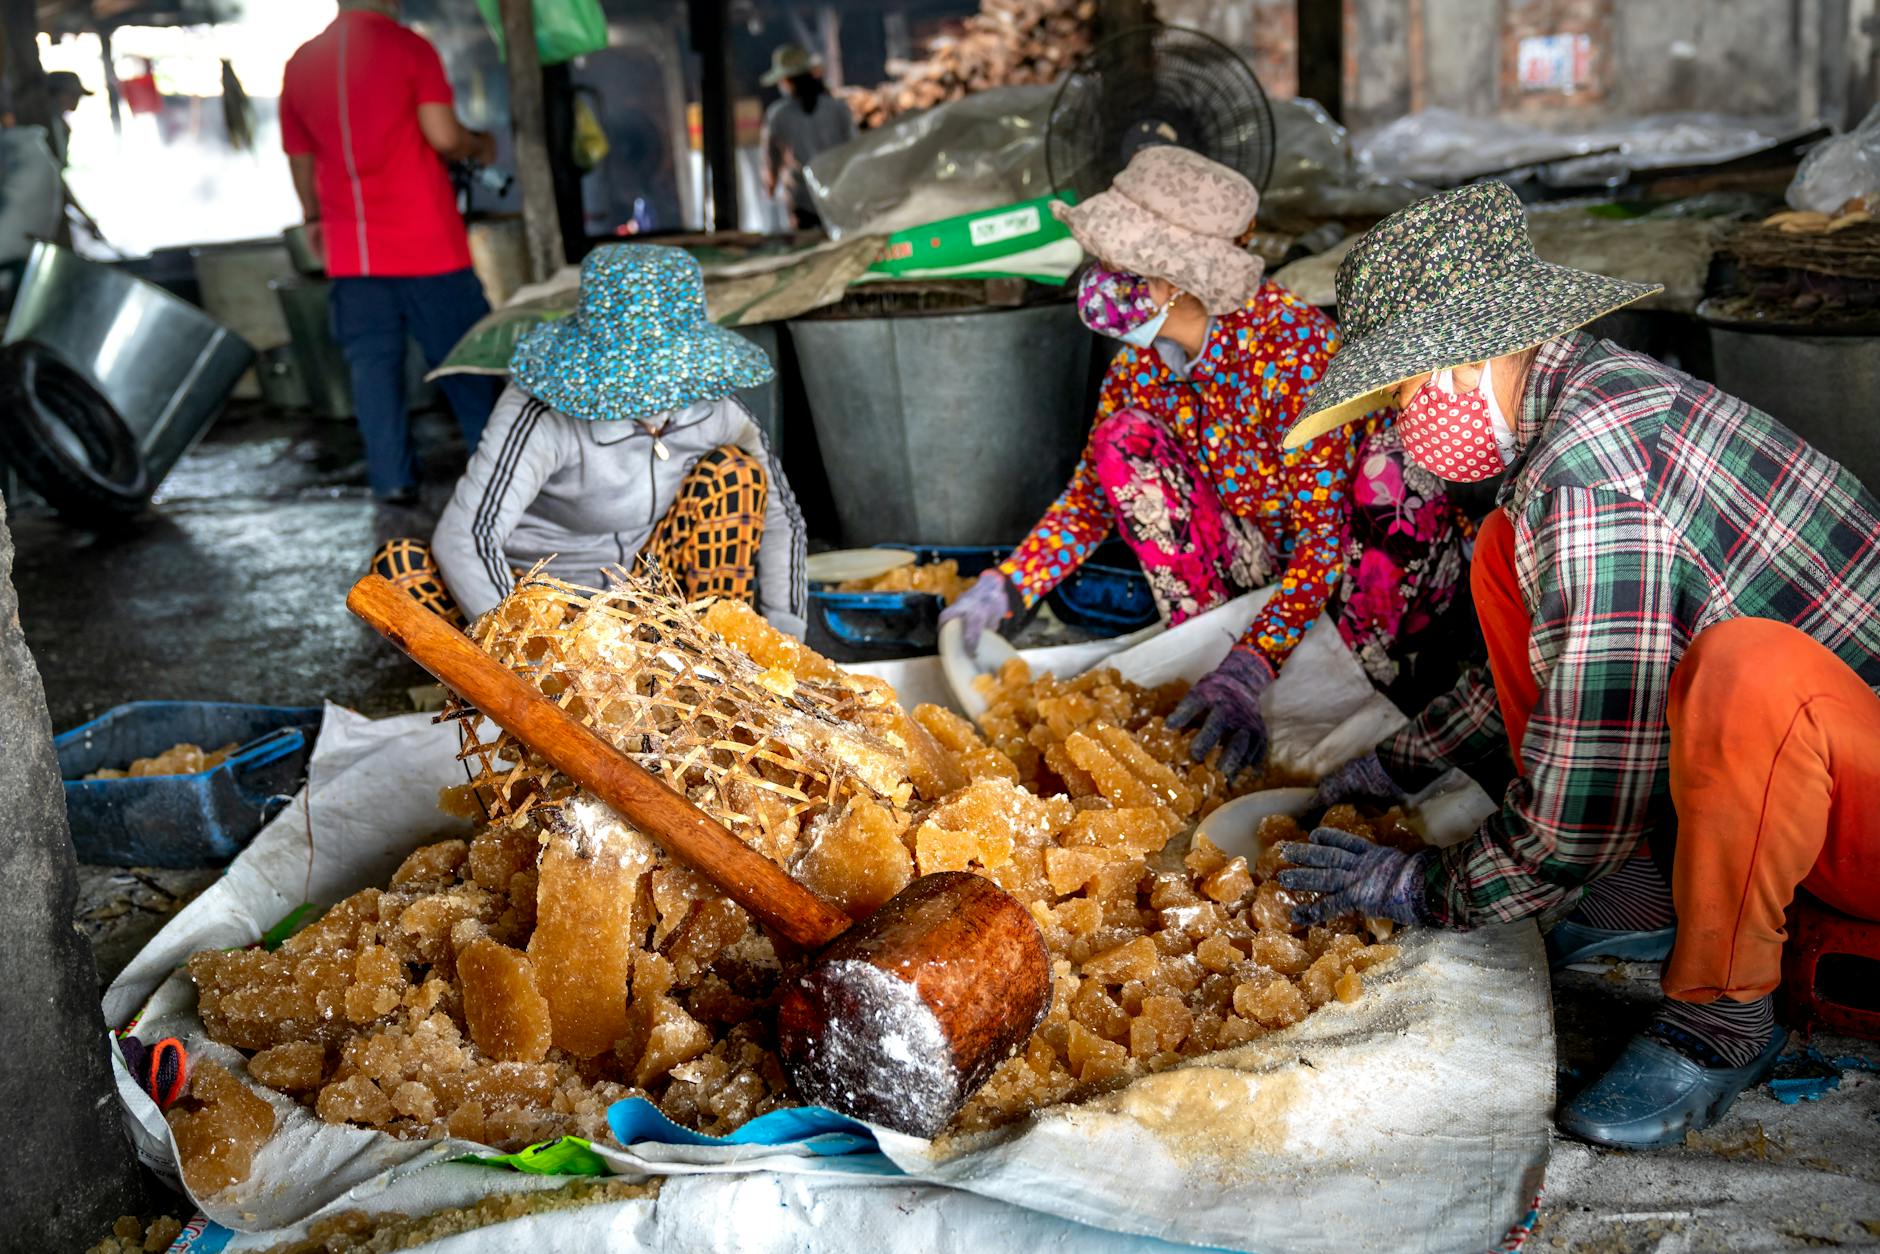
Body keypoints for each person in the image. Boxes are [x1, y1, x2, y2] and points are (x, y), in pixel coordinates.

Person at [1278, 182, 1880, 1150]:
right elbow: (1584, 664)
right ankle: (1633, 894)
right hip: (1810, 777)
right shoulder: (1578, 400)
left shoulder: (1590, 473)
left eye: (1400, 392)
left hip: (1855, 812)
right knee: (1501, 557)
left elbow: (1587, 781)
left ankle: (1722, 1016)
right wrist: (1397, 761)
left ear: (1469, 359)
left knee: (1751, 670)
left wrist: (1428, 890)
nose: (1397, 423)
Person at [940, 145, 1471, 779]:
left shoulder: (1292, 352)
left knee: (1392, 469)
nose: (1097, 276)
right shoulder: (1141, 362)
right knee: (1122, 440)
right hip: (1261, 553)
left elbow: (1323, 547)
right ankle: (1210, 655)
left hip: (1359, 569)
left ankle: (1365, 681)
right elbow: (1091, 497)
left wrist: (1257, 661)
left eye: (1114, 264)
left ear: (1172, 279)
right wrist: (1008, 586)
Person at [371, 244, 807, 637]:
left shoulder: (716, 406)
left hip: (645, 590)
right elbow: (465, 537)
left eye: (666, 377)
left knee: (736, 475)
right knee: (401, 571)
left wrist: (785, 639)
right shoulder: (541, 412)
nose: (653, 395)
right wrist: (536, 657)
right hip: (534, 595)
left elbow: (782, 517)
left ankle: (704, 659)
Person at [281, 0, 502, 505]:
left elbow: (300, 158)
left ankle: (392, 481)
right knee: (466, 362)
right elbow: (443, 135)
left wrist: (314, 218)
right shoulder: (409, 48)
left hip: (353, 252)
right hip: (426, 243)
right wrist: (479, 143)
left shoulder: (301, 62)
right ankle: (496, 478)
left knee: (373, 370)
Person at [759, 44, 855, 232]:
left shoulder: (778, 115)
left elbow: (771, 161)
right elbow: (854, 148)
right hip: (837, 195)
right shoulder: (837, 109)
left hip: (802, 202)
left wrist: (769, 190)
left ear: (786, 81)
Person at [43, 70, 105, 245]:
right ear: (59, 95)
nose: (76, 100)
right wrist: (84, 217)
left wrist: (84, 218)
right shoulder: (43, 127)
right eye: (74, 95)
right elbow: (53, 180)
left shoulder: (62, 128)